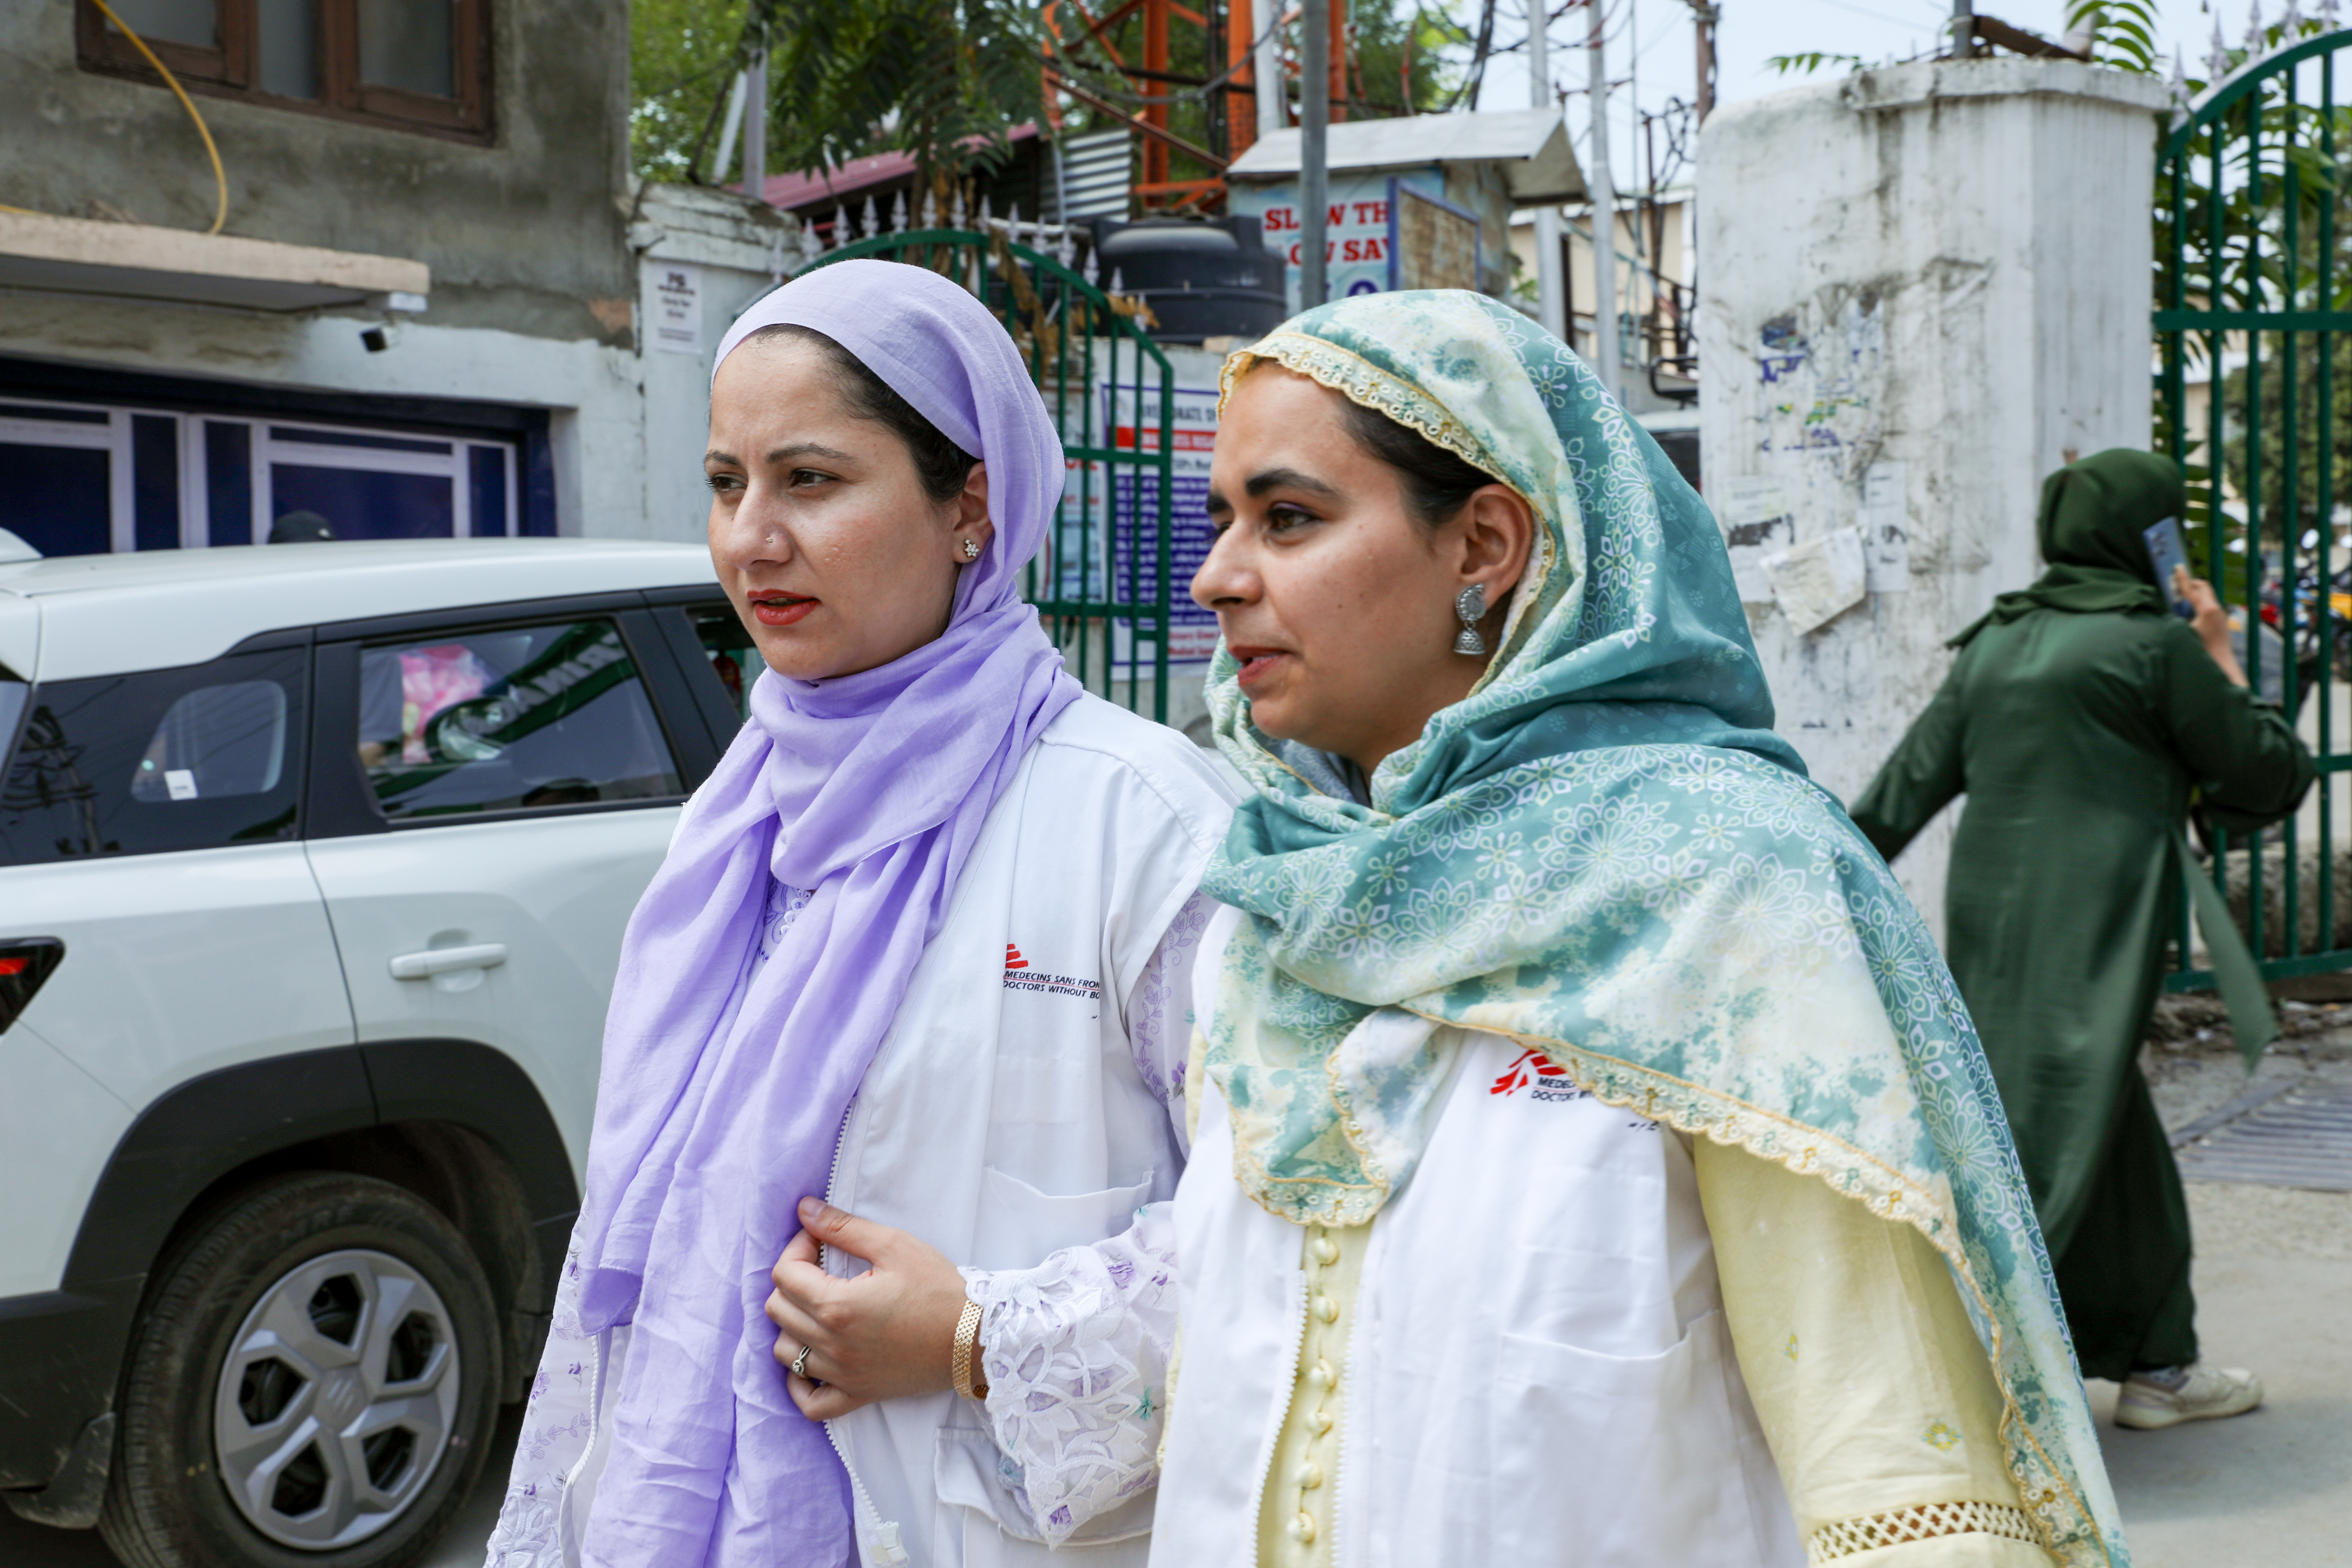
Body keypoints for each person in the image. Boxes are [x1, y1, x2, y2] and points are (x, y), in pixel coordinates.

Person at [807, 292, 2128, 1567]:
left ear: (1484, 547)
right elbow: (1249, 1355)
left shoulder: (1728, 903)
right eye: (1225, 521)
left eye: (1288, 518)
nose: (1217, 578)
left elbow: (1897, 1471)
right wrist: (983, 1332)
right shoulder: (1278, 913)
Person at [481, 259, 1233, 1568]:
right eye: (727, 484)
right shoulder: (745, 818)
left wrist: (974, 1335)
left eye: (811, 480)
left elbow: (1292, 1233)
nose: (751, 539)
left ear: (972, 508)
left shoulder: (1146, 823)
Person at [1851, 449, 2314, 1432]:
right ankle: (1968, 1374)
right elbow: (2265, 777)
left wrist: (1803, 882)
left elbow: (1896, 800)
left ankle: (2158, 1363)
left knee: (2104, 1125)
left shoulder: (1996, 645)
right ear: (2140, 536)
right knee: (2053, 1140)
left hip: (1994, 936)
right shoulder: (2154, 649)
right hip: (2095, 933)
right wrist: (2226, 657)